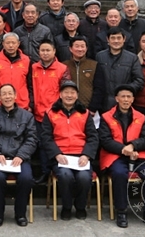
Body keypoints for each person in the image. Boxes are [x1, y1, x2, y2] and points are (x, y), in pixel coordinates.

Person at [98, 85, 145, 229]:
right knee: (119, 174)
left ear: (133, 99)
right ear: (116, 99)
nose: (126, 100)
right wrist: (123, 149)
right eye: (123, 96)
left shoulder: (141, 117)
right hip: (115, 156)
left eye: (128, 97)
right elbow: (105, 140)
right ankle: (121, 211)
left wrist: (133, 146)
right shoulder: (106, 117)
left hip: (138, 155)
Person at [41, 80, 98, 221]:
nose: (69, 95)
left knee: (84, 178)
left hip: (80, 155)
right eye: (66, 92)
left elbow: (93, 137)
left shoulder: (85, 113)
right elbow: (46, 137)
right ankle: (66, 207)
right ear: (60, 95)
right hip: (61, 156)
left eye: (72, 93)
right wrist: (56, 154)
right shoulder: (50, 113)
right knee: (65, 176)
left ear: (77, 95)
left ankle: (80, 206)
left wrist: (86, 155)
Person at [0, 83, 37, 227]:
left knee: (26, 178)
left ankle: (20, 214)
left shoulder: (27, 116)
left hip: (19, 158)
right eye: (4, 94)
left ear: (15, 95)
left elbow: (32, 139)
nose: (7, 97)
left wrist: (21, 155)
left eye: (10, 93)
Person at [31, 40, 70, 183]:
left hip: (55, 113)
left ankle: (55, 169)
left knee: (54, 142)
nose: (45, 53)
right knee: (41, 143)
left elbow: (65, 91)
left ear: (54, 51)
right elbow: (29, 87)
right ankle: (44, 172)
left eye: (48, 50)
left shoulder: (62, 68)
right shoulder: (33, 67)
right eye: (42, 50)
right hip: (37, 113)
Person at [94, 27, 144, 113]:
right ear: (107, 40)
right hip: (104, 103)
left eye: (119, 38)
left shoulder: (132, 58)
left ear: (124, 39)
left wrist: (126, 90)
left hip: (125, 103)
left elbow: (139, 80)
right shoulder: (100, 56)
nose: (116, 41)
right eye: (113, 38)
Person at [0, 33, 32, 111]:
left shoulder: (26, 60)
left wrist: (31, 105)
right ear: (3, 43)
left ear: (18, 44)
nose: (10, 45)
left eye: (13, 43)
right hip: (0, 105)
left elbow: (31, 85)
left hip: (22, 105)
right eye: (8, 43)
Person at [64, 35, 104, 111]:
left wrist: (93, 108)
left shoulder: (94, 65)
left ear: (86, 48)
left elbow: (99, 88)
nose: (80, 49)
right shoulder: (64, 65)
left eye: (82, 46)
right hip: (67, 108)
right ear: (70, 49)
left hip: (88, 109)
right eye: (77, 46)